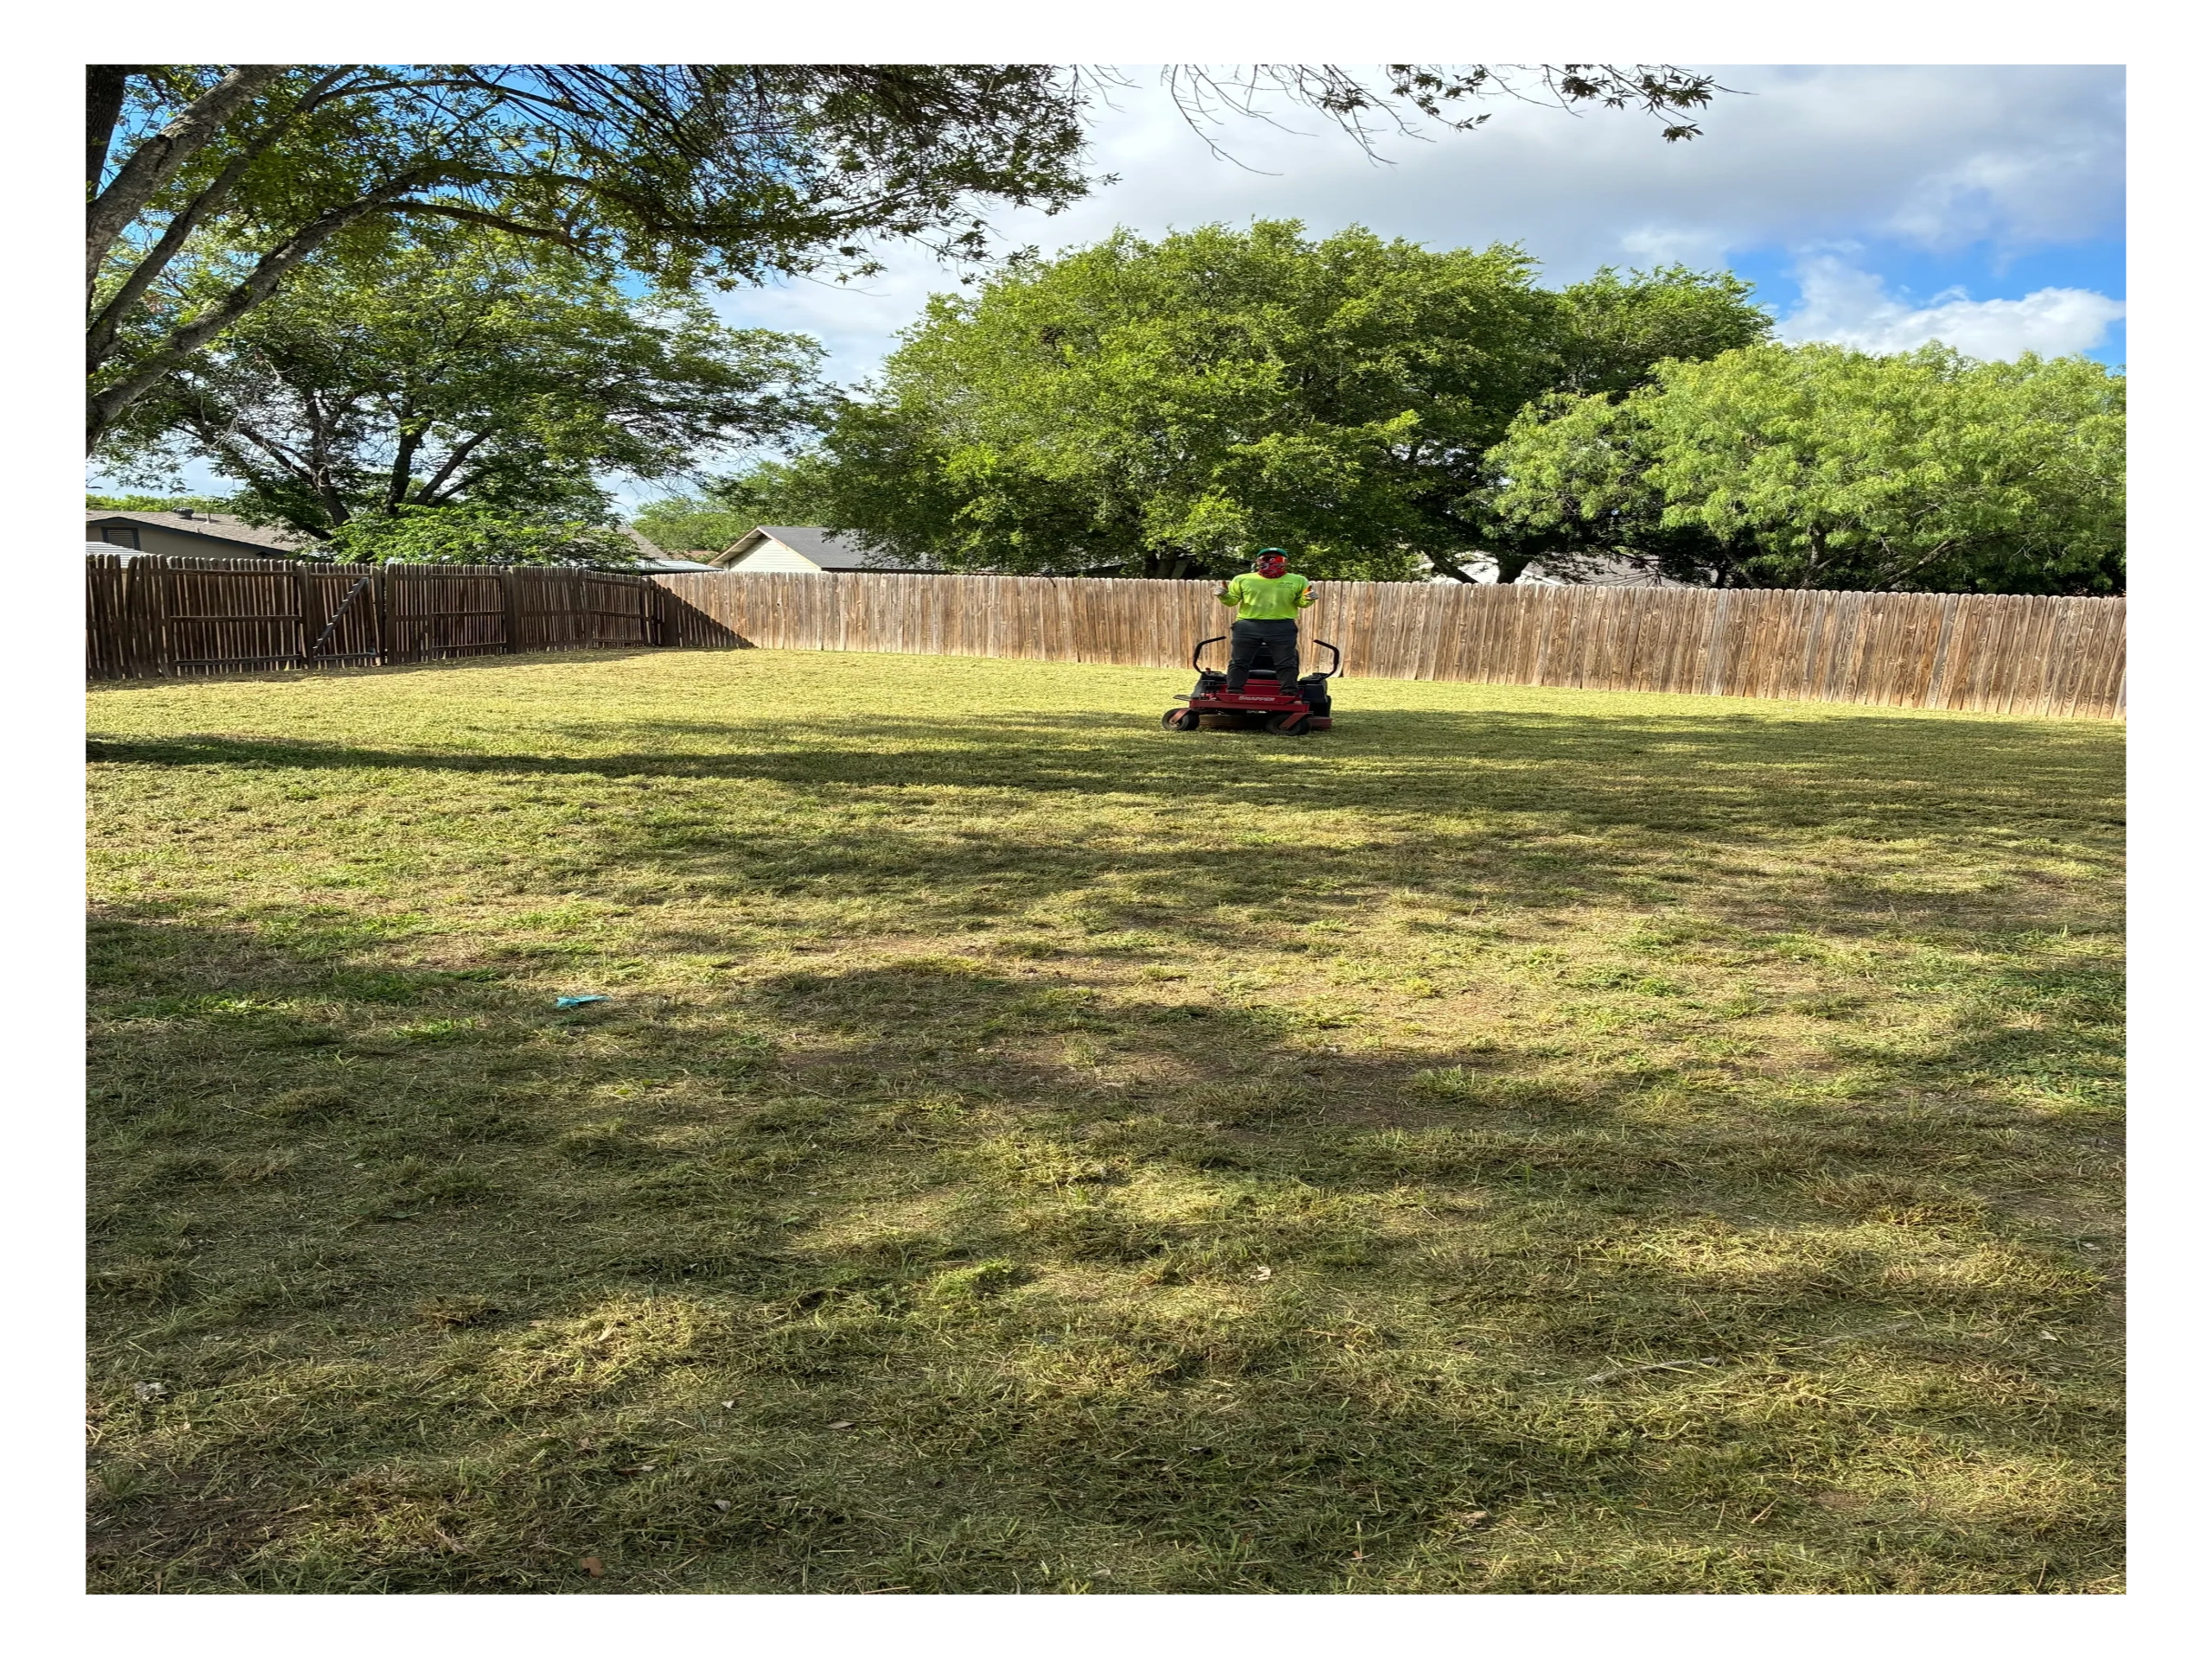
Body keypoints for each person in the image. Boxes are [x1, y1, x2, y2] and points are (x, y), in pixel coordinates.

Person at [1216, 548, 1316, 694]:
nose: (1272, 562)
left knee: (1286, 662)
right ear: (1258, 561)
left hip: (1282, 626)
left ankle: (1289, 692)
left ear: (1286, 562)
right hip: (1247, 625)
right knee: (1239, 661)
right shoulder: (1243, 579)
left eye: (1277, 560)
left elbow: (1301, 603)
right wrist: (1223, 596)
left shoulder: (1298, 580)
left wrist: (1308, 598)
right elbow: (1232, 601)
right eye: (1266, 559)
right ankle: (1234, 691)